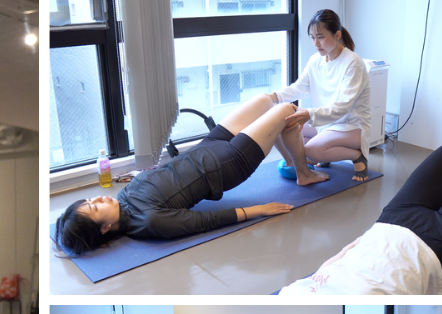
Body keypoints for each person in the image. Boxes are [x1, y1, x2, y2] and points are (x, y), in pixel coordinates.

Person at [52, 92, 312, 255]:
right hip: (228, 164)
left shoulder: (123, 198)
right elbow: (206, 221)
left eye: (91, 200)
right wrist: (261, 209)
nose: (99, 198)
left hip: (208, 145)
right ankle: (302, 173)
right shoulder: (149, 222)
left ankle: (291, 160)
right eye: (95, 207)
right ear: (105, 228)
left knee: (265, 100)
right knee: (287, 111)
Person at [278, 139, 442, 295]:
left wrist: (358, 242)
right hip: (431, 246)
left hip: (388, 224)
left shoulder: (288, 295)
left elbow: (323, 271)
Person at [271, 9, 372, 182]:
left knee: (311, 150)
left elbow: (343, 106)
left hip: (351, 126)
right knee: (281, 126)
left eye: (320, 37)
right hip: (327, 123)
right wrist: (272, 97)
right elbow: (298, 88)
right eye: (312, 37)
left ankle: (357, 156)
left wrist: (309, 114)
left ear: (337, 35)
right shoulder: (315, 60)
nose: (316, 43)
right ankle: (322, 156)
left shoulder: (353, 62)